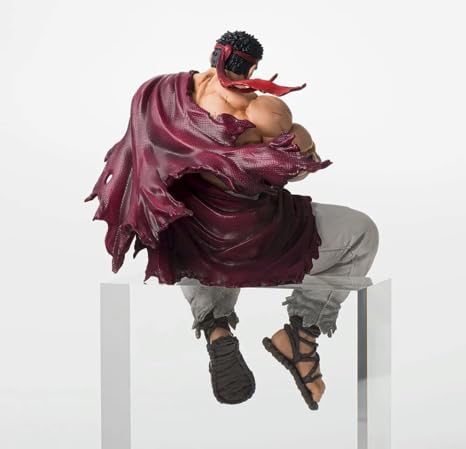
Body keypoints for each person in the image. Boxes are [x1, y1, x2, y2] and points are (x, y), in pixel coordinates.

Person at [85, 30, 378, 410]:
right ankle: (303, 334)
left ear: (213, 54)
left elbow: (143, 160)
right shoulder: (264, 112)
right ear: (253, 69)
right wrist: (304, 147)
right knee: (361, 233)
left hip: (196, 246)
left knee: (177, 230)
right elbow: (297, 170)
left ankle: (215, 325)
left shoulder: (157, 93)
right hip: (262, 242)